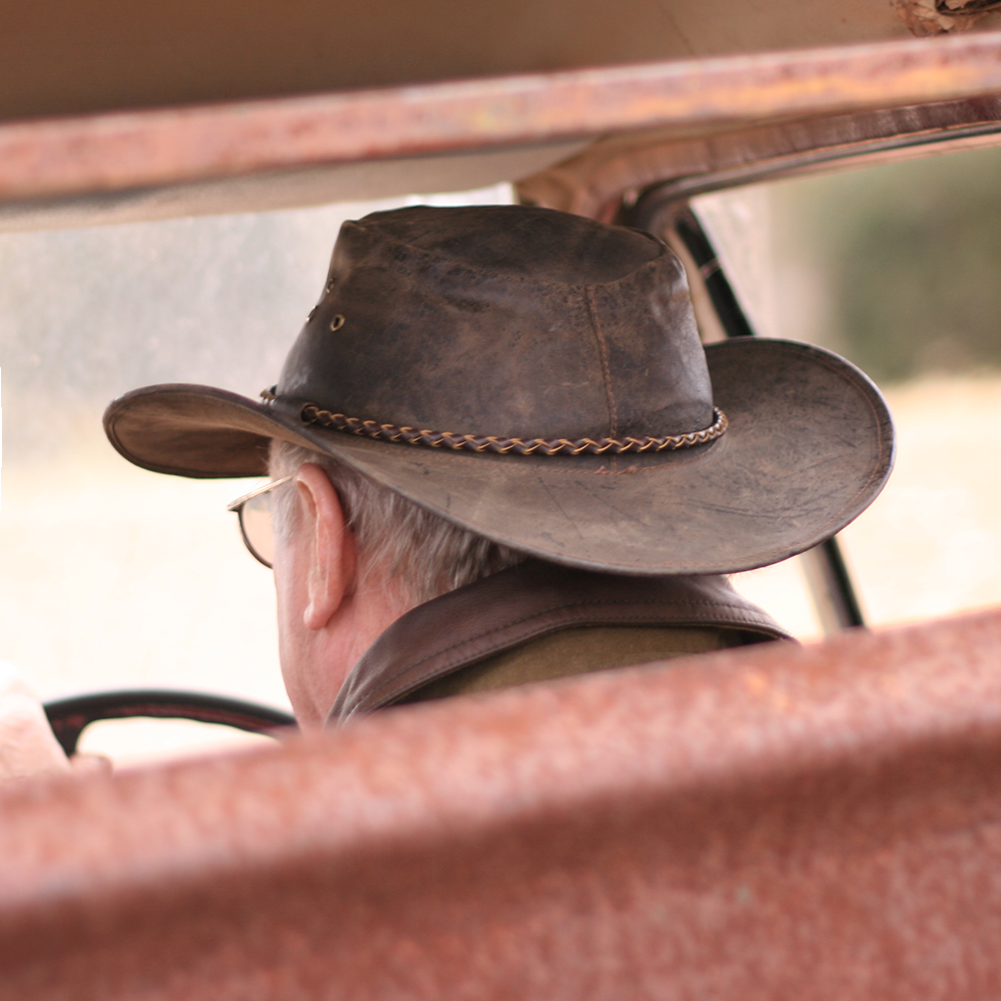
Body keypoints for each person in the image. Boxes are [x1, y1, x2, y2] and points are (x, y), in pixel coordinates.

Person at [1, 205, 894, 766]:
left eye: (274, 519)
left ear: (322, 540)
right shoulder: (857, 752)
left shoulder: (331, 877)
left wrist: (61, 854)